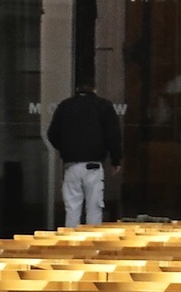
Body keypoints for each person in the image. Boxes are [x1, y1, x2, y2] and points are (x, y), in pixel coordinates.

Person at [46, 83, 123, 227]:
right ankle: (91, 244)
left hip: (71, 166)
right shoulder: (103, 106)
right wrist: (115, 160)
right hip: (93, 166)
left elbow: (52, 134)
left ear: (76, 89)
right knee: (94, 209)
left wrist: (65, 149)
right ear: (95, 89)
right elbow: (112, 135)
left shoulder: (65, 106)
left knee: (72, 209)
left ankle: (71, 245)